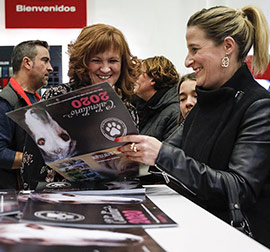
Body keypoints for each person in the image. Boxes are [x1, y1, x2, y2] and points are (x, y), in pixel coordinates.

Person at [116, 5, 270, 248]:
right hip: (193, 231)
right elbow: (168, 156)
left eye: (195, 50)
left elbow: (240, 189)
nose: (188, 61)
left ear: (228, 47)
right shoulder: (203, 104)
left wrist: (160, 154)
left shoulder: (259, 106)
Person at [22, 24, 141, 189]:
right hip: (64, 202)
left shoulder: (128, 108)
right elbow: (32, 166)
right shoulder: (57, 97)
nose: (105, 68)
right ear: (83, 62)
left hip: (114, 197)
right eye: (96, 60)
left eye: (113, 61)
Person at [0, 40, 53, 190]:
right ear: (27, 63)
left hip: (33, 191)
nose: (50, 68)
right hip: (13, 196)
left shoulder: (37, 101)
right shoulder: (5, 102)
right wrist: (43, 159)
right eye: (45, 60)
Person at [133, 56, 180, 140]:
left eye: (139, 73)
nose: (133, 77)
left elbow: (170, 150)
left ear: (154, 78)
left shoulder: (175, 112)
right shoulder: (144, 108)